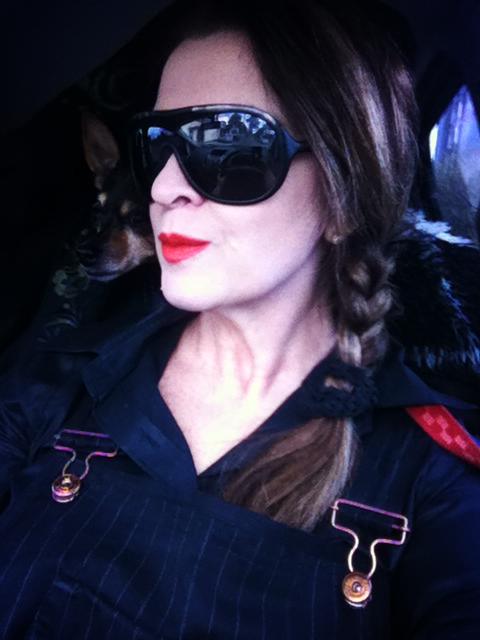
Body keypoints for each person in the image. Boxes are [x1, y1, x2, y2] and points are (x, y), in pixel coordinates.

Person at [0, 0, 479, 638]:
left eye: (227, 143)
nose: (163, 188)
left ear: (344, 198)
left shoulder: (428, 478)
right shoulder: (60, 378)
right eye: (157, 145)